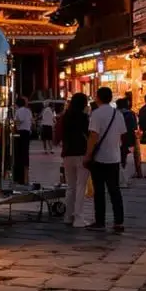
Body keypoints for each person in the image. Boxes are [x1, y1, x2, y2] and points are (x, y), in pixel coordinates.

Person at [84, 86, 127, 232]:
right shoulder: (118, 114)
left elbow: (93, 136)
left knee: (99, 191)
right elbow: (122, 135)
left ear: (98, 97)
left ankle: (100, 221)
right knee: (115, 190)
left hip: (99, 158)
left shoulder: (96, 114)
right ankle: (119, 221)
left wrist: (88, 154)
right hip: (114, 157)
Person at [60, 92, 90, 226]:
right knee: (80, 186)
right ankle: (78, 217)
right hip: (81, 153)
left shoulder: (66, 116)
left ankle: (68, 216)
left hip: (67, 153)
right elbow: (89, 134)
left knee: (71, 186)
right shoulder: (84, 118)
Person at [12, 96, 33, 185]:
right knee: (25, 154)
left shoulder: (19, 111)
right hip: (27, 133)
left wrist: (14, 124)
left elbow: (19, 121)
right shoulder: (28, 111)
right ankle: (26, 177)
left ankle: (19, 177)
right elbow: (31, 121)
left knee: (19, 154)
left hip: (20, 133)